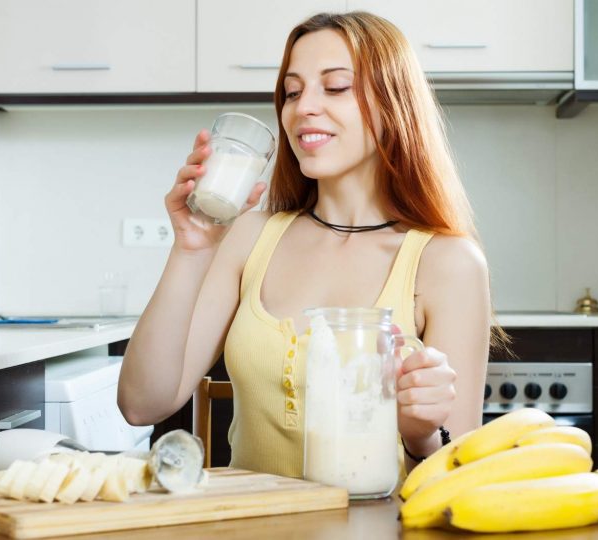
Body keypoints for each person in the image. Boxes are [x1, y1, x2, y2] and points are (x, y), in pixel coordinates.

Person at [118, 11, 494, 477]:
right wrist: (190, 250)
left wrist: (419, 433)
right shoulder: (251, 236)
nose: (303, 108)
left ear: (394, 104)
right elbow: (141, 404)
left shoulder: (448, 263)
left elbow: (458, 478)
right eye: (292, 92)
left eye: (335, 87)